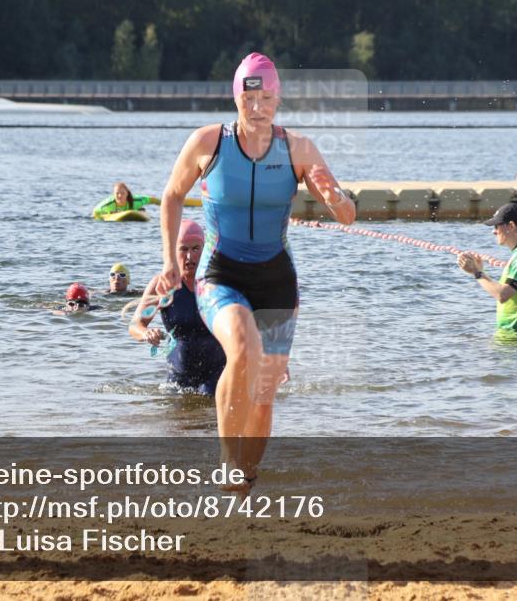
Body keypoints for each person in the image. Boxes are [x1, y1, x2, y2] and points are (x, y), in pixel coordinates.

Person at [157, 52, 355, 491]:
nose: (258, 106)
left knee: (264, 394)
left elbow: (347, 215)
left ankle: (245, 479)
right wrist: (171, 261)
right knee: (243, 347)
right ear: (236, 98)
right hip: (220, 273)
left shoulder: (298, 148)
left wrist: (335, 197)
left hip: (277, 280)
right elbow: (171, 196)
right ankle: (228, 464)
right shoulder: (208, 142)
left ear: (277, 99)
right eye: (250, 97)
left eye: (266, 97)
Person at [130, 220, 226, 395]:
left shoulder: (217, 283)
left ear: (205, 249)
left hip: (217, 372)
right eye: (183, 249)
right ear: (173, 252)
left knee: (210, 403)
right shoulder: (164, 286)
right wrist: (146, 333)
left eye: (195, 249)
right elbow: (136, 325)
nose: (189, 257)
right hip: (178, 377)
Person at [457, 203, 517, 334]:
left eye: (497, 226)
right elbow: (504, 291)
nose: (493, 231)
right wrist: (480, 271)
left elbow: (502, 294)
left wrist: (476, 272)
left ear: (511, 226)